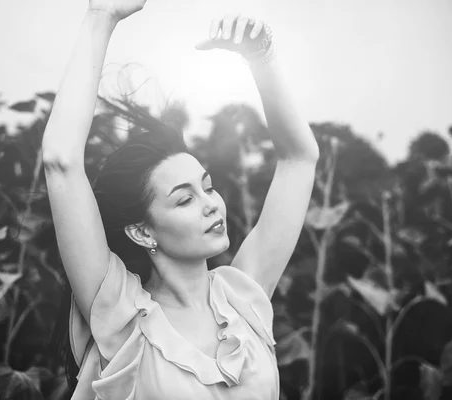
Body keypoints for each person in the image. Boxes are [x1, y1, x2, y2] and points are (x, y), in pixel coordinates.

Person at [42, 0, 319, 398]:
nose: (211, 204)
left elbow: (299, 159)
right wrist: (101, 16)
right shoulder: (121, 316)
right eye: (184, 199)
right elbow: (61, 162)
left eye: (207, 187)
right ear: (141, 230)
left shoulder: (240, 298)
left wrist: (262, 57)